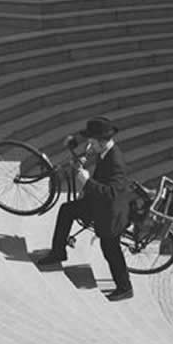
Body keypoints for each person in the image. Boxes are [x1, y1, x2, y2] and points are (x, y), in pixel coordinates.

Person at [38, 117, 134, 301]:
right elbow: (89, 150)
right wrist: (74, 145)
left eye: (92, 141)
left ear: (101, 141)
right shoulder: (104, 150)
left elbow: (112, 194)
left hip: (111, 212)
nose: (89, 143)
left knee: (110, 249)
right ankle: (58, 251)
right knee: (67, 210)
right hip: (98, 204)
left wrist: (87, 182)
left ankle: (125, 287)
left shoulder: (116, 162)